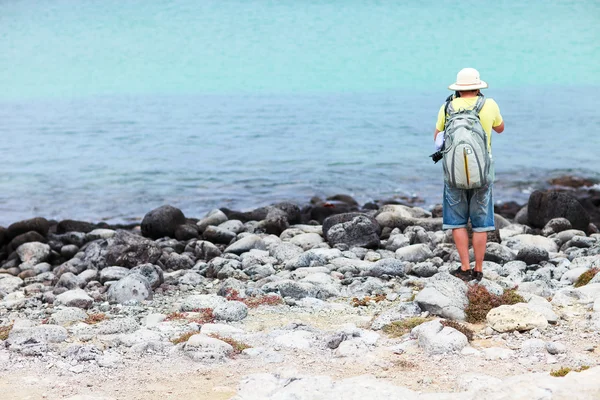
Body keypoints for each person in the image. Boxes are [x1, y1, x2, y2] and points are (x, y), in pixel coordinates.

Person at [434, 68, 504, 281]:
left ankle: (465, 267)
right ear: (478, 86)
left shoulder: (447, 107)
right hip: (482, 172)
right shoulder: (489, 104)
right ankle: (479, 269)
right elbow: (500, 128)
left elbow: (437, 138)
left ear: (458, 88)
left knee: (457, 221)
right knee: (481, 223)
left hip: (453, 174)